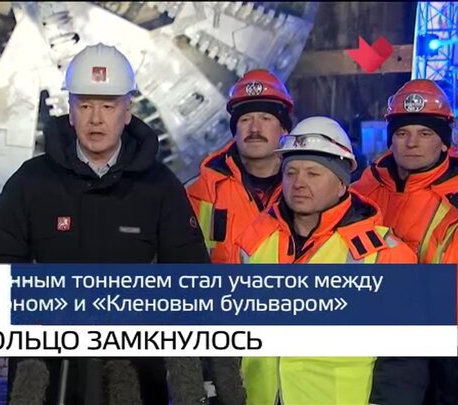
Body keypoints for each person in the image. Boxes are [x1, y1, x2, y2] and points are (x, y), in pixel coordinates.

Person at [0, 43, 224, 404]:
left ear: (127, 111)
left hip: (137, 378)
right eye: (85, 105)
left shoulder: (160, 187)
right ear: (70, 111)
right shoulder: (30, 183)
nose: (96, 119)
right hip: (49, 379)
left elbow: (191, 283)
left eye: (108, 106)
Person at [231, 116, 416, 404]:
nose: (299, 183)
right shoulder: (255, 241)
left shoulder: (385, 254)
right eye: (291, 173)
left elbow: (404, 361)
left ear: (341, 184)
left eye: (313, 174)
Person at [186, 69, 293, 264]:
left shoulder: (306, 190)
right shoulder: (197, 193)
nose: (255, 128)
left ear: (284, 129)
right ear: (234, 131)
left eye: (265, 118)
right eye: (245, 119)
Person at [353, 79, 457, 261]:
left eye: (425, 134)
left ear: (444, 144)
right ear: (391, 141)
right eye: (402, 133)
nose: (411, 143)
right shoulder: (361, 193)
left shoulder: (453, 204)